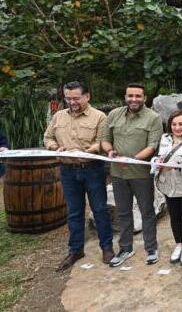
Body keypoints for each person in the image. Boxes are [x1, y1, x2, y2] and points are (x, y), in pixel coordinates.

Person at [43, 81, 114, 271]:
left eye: (76, 98)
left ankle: (106, 248)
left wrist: (93, 149)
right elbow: (47, 138)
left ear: (87, 96)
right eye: (68, 98)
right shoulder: (58, 116)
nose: (72, 102)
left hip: (92, 169)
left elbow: (103, 141)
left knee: (99, 209)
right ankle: (75, 250)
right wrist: (55, 147)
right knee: (74, 212)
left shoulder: (99, 117)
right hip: (67, 171)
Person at [101, 83, 163, 267]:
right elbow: (104, 139)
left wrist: (132, 160)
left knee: (147, 212)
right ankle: (126, 247)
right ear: (125, 96)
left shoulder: (153, 118)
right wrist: (110, 151)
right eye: (130, 96)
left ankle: (151, 248)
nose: (133, 99)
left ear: (144, 98)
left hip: (141, 174)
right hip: (117, 173)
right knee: (123, 212)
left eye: (138, 96)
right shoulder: (114, 114)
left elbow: (152, 146)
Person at [154, 110, 182, 266]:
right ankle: (178, 244)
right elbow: (160, 155)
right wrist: (156, 161)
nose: (177, 127)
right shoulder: (164, 138)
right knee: (174, 215)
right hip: (168, 183)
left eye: (181, 124)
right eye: (174, 124)